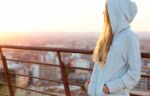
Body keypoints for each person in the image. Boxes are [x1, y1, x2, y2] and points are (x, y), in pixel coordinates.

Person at [84, 0, 141, 96]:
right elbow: (100, 70)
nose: (103, 13)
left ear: (115, 13)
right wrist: (91, 87)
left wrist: (110, 88)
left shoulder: (129, 37)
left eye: (106, 10)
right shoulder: (107, 38)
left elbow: (134, 74)